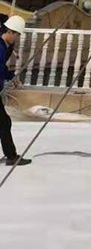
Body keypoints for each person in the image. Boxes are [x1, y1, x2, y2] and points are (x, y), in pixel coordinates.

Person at [0, 16, 31, 168]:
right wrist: (10, 77)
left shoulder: (4, 46)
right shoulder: (0, 48)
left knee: (4, 122)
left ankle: (11, 155)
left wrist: (11, 77)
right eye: (17, 34)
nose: (17, 38)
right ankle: (11, 156)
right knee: (4, 122)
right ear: (10, 32)